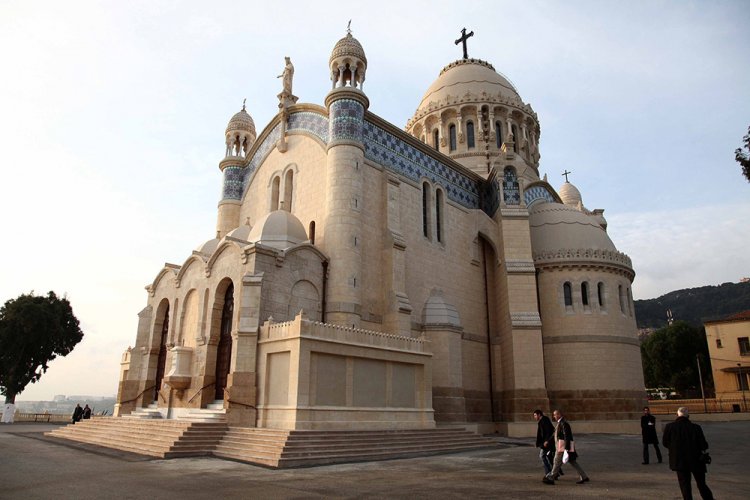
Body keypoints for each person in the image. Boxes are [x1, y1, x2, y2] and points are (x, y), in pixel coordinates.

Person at [662, 407, 714, 500]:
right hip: (697, 460)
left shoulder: (670, 427)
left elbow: (665, 442)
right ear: (688, 416)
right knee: (701, 484)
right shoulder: (696, 427)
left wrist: (675, 449)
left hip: (679, 461)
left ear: (677, 415)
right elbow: (704, 445)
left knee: (685, 485)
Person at [543, 409, 590, 485]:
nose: (554, 416)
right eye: (554, 415)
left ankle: (551, 477)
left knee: (556, 462)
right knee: (572, 462)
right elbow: (554, 435)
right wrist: (548, 441)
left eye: (555, 414)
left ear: (560, 414)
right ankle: (584, 476)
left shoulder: (564, 424)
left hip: (562, 447)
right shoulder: (560, 423)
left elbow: (567, 436)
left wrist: (566, 448)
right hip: (561, 446)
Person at [533, 409, 557, 476]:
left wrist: (546, 440)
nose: (534, 417)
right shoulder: (542, 421)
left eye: (535, 415)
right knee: (547, 456)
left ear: (539, 414)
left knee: (543, 456)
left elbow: (548, 431)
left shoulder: (544, 420)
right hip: (546, 442)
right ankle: (553, 472)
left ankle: (549, 472)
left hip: (548, 442)